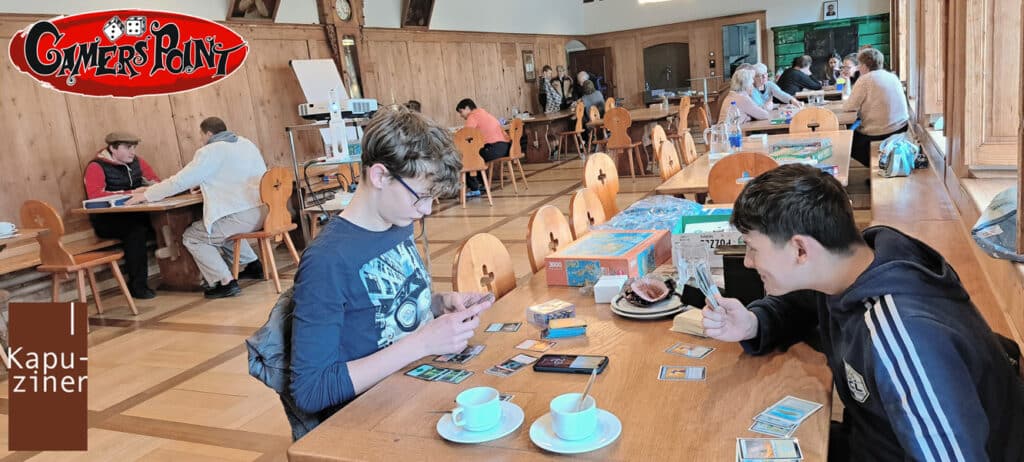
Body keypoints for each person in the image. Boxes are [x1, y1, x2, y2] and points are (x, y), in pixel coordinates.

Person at [701, 164, 1024, 462]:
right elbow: (801, 304)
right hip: (867, 442)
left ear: (801, 249)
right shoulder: (855, 267)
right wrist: (754, 323)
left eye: (753, 248)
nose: (748, 261)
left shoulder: (904, 337)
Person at [287, 106, 494, 438]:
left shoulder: (396, 221)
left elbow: (382, 309)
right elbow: (312, 390)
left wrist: (440, 303)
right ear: (380, 176)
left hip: (418, 390)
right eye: (421, 198)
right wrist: (421, 342)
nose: (426, 210)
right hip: (372, 422)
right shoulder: (327, 262)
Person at [125, 117, 268, 299]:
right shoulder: (245, 143)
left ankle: (225, 281)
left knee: (194, 236)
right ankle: (253, 265)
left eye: (201, 136)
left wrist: (146, 195)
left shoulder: (210, 151)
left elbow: (179, 181)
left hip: (240, 217)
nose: (201, 140)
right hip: (263, 212)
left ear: (208, 134)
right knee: (219, 229)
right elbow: (238, 175)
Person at [83, 132, 161, 299]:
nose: (132, 152)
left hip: (137, 214)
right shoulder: (96, 166)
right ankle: (138, 287)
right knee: (136, 232)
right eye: (127, 148)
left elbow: (155, 181)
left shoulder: (137, 162)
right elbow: (95, 196)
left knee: (166, 221)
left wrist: (153, 188)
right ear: (112, 148)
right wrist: (132, 192)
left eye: (134, 147)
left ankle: (180, 276)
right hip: (108, 220)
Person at [843, 48, 909, 167]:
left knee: (845, 142)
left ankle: (878, 167)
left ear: (863, 65)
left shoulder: (865, 79)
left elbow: (848, 106)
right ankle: (880, 166)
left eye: (859, 65)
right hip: (901, 127)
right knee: (854, 130)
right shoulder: (892, 76)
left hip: (881, 132)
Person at [456, 98, 510, 195]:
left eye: (461, 111)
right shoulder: (484, 113)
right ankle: (482, 184)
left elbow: (466, 134)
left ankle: (475, 188)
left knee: (468, 158)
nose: (461, 115)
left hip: (493, 149)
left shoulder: (473, 116)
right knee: (476, 156)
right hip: (505, 147)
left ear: (468, 108)